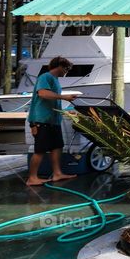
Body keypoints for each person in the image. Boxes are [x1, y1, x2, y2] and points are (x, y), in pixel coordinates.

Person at [26, 56, 77, 186]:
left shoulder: (55, 80)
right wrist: (64, 97)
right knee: (40, 150)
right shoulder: (45, 77)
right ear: (59, 66)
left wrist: (65, 110)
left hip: (53, 120)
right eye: (66, 68)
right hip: (41, 119)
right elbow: (42, 94)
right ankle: (32, 178)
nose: (67, 72)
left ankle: (57, 173)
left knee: (57, 146)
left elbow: (53, 98)